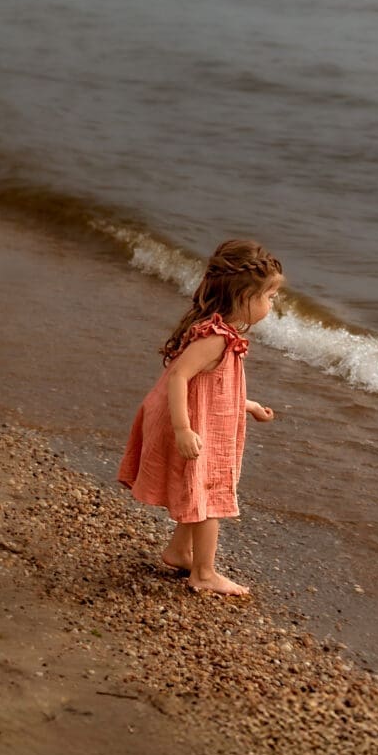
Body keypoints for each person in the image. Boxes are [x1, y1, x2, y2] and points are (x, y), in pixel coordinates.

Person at [117, 239, 282, 596]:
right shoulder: (217, 338)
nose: (272, 304)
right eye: (269, 296)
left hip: (199, 419)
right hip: (189, 424)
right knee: (211, 495)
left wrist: (249, 406)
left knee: (201, 487)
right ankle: (204, 573)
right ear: (243, 297)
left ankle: (180, 552)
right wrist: (183, 429)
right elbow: (179, 376)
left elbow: (214, 392)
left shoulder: (222, 334)